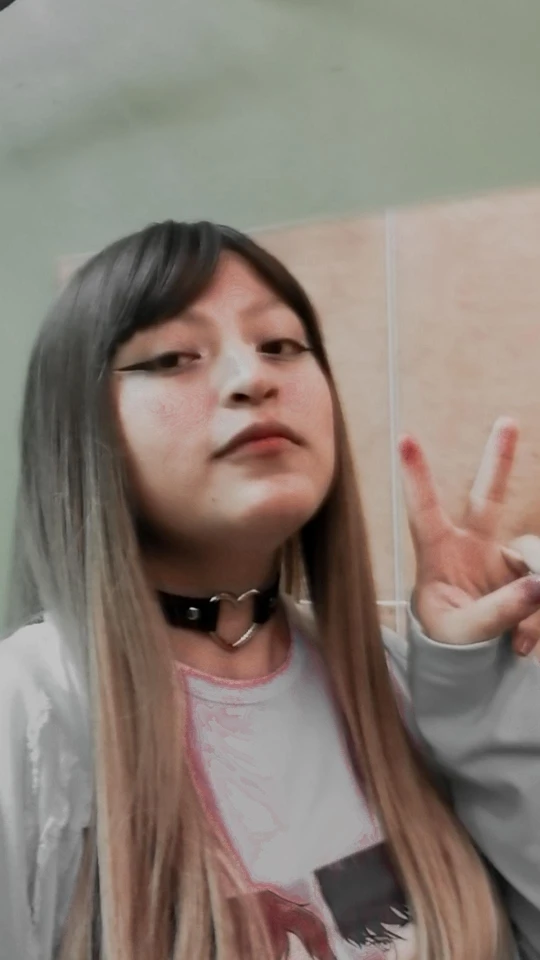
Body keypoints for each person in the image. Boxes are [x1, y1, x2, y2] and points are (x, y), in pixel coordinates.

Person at [0, 220, 538, 960]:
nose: (253, 378)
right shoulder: (28, 717)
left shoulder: (398, 682)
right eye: (173, 356)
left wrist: (485, 696)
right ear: (81, 428)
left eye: (281, 344)